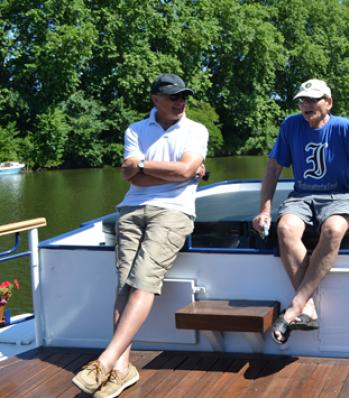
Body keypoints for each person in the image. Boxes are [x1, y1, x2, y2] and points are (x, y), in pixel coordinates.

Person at [72, 73, 208, 398]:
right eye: (173, 96)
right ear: (155, 99)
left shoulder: (195, 130)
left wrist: (146, 166)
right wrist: (162, 171)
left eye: (183, 96)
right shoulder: (135, 129)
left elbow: (187, 170)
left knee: (144, 280)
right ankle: (122, 370)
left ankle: (103, 363)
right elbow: (132, 178)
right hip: (131, 210)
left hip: (174, 212)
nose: (180, 102)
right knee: (124, 285)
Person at [251, 79, 349, 345]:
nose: (306, 105)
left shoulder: (343, 128)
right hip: (302, 196)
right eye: (303, 100)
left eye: (313, 100)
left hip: (341, 196)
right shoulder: (291, 125)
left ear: (329, 102)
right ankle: (307, 307)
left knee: (333, 229)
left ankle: (295, 306)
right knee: (285, 228)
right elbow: (273, 168)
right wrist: (264, 210)